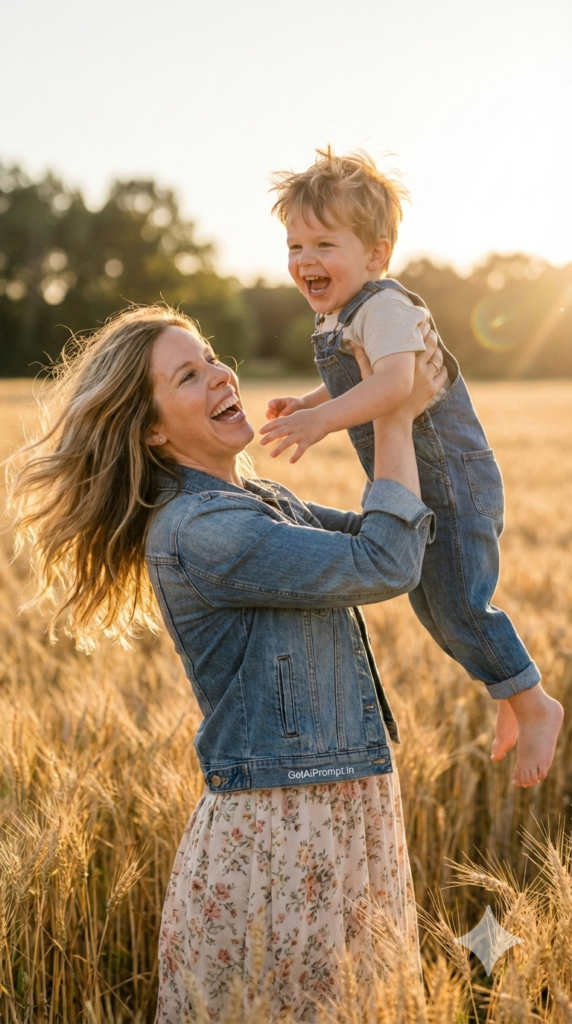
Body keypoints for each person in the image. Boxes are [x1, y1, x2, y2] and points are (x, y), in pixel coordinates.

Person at [8, 305, 444, 1022]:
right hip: (282, 835)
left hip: (340, 812)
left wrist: (384, 384)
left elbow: (401, 536)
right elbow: (386, 561)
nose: (219, 376)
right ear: (152, 429)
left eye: (211, 356)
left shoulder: (259, 500)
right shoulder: (202, 531)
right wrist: (391, 414)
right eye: (188, 375)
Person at [261, 147, 563, 790]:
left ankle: (536, 704)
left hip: (450, 478)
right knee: (433, 605)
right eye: (293, 246)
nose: (305, 261)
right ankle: (507, 693)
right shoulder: (337, 314)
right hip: (420, 481)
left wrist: (321, 421)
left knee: (460, 603)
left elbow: (396, 383)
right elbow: (360, 377)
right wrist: (310, 399)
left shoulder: (386, 305)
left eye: (323, 244)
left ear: (376, 254)